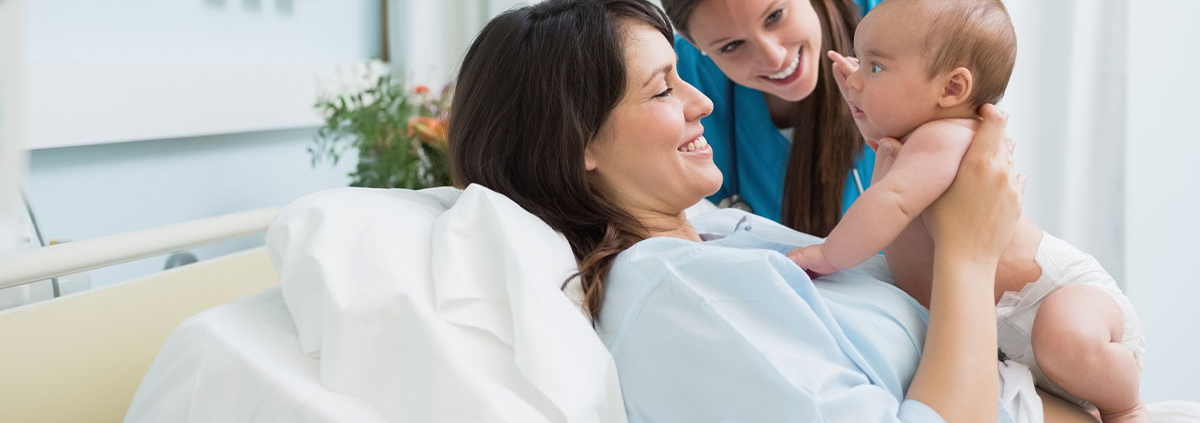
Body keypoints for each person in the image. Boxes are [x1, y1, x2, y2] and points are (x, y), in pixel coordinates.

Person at [449, 0, 1095, 421]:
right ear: (579, 141)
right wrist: (968, 254)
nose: (701, 102)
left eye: (682, 75)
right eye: (663, 88)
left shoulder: (714, 234)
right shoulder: (682, 297)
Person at [785, 1, 1146, 421]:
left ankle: (1127, 408)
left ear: (953, 89)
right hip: (1011, 337)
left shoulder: (946, 139)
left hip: (1055, 295)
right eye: (859, 62)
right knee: (1048, 362)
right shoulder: (917, 140)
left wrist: (827, 255)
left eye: (876, 68)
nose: (857, 80)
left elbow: (892, 202)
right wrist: (865, 95)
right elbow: (882, 146)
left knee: (1064, 337)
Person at [659, 0, 878, 237]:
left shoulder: (897, 24)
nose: (775, 59)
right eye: (732, 46)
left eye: (775, 16)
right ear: (693, 41)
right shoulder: (675, 85)